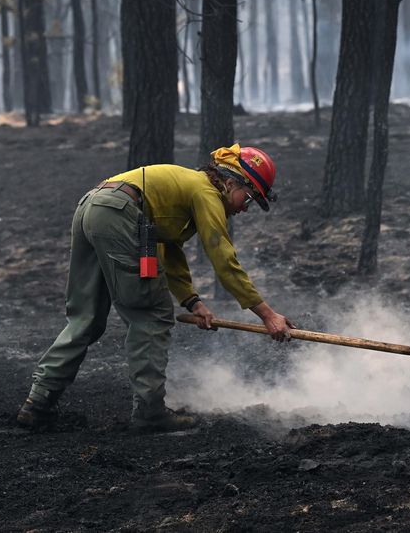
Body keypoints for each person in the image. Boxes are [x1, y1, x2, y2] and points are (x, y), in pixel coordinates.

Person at [16, 144, 295, 433]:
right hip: (118, 213)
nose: (243, 210)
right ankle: (150, 412)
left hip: (94, 206)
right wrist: (267, 315)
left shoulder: (188, 188)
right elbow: (223, 259)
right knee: (152, 315)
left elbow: (168, 247)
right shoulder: (207, 194)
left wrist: (192, 302)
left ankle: (37, 403)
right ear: (231, 182)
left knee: (86, 318)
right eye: (248, 200)